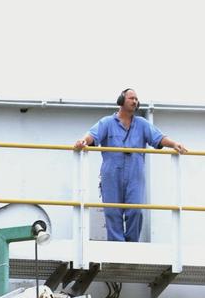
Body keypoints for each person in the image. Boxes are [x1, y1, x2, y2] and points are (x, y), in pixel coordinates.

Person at [74, 89, 188, 242]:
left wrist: (174, 144)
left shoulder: (141, 124)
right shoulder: (107, 122)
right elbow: (92, 135)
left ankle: (131, 246)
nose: (135, 101)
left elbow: (158, 137)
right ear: (121, 100)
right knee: (112, 212)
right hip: (111, 175)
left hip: (135, 176)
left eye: (136, 99)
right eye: (131, 98)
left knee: (136, 211)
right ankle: (116, 247)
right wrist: (83, 142)